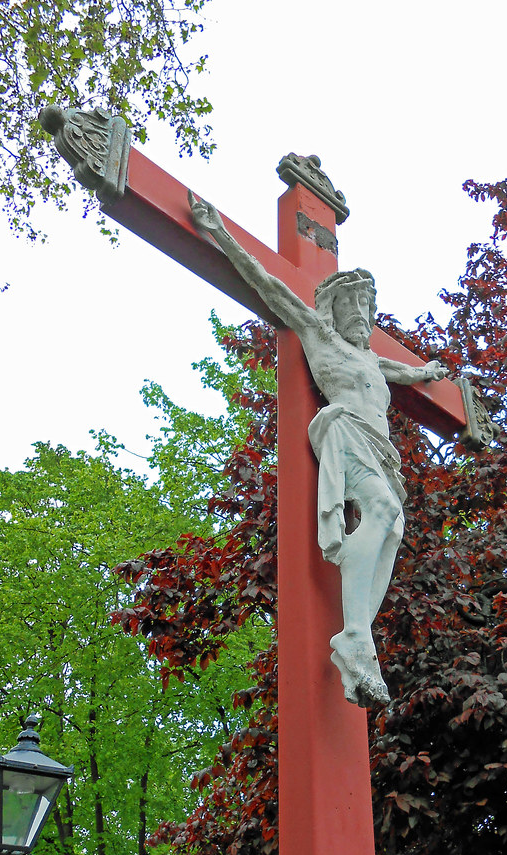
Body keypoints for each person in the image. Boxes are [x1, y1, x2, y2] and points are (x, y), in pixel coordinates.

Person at [188, 193, 448, 706]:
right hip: (344, 428)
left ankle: (357, 633)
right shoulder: (319, 335)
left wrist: (427, 373)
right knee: (381, 510)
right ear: (335, 309)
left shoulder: (371, 359)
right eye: (353, 309)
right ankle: (354, 635)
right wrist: (219, 232)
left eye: (367, 312)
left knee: (391, 526)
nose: (361, 319)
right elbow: (270, 285)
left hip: (380, 450)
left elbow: (400, 372)